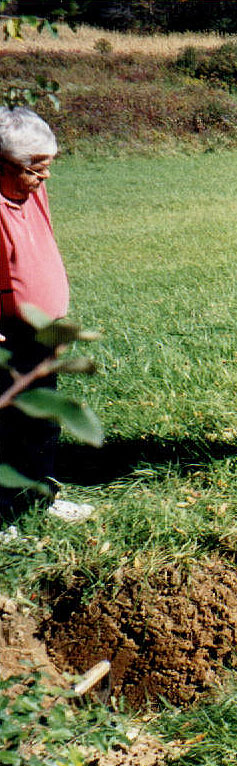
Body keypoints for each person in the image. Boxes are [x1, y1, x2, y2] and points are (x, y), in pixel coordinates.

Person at [0, 106, 92, 521]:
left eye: (48, 167)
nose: (45, 178)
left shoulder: (31, 191)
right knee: (7, 428)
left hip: (42, 333)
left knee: (42, 421)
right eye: (35, 169)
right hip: (7, 337)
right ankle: (3, 515)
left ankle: (43, 496)